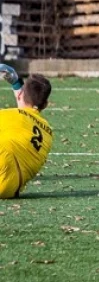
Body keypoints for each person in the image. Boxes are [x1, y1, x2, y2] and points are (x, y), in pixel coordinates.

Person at [0, 65, 53, 199]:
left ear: (21, 94)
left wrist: (17, 84)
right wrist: (17, 84)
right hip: (9, 190)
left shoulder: (7, 115)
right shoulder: (47, 132)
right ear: (45, 104)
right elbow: (24, 110)